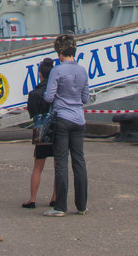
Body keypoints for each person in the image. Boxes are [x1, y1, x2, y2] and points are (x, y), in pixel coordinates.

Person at [42, 33, 89, 217]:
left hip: (62, 118)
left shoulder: (57, 70)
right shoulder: (82, 70)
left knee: (61, 163)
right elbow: (85, 97)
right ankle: (82, 205)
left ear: (60, 52)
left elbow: (48, 97)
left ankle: (60, 206)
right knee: (79, 162)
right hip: (79, 119)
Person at [23, 58, 58, 209]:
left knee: (38, 166)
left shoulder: (34, 93)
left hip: (40, 131)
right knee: (58, 166)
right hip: (56, 129)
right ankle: (55, 197)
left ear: (40, 74)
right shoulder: (57, 92)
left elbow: (31, 113)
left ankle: (32, 198)